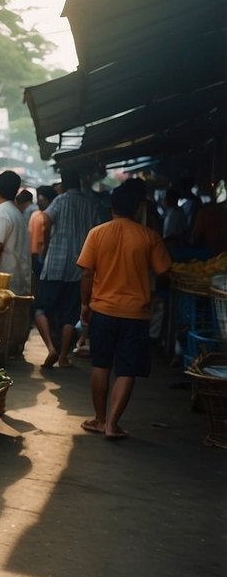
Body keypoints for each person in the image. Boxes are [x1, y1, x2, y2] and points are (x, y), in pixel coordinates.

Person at [76, 179, 171, 440]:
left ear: (112, 207)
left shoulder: (97, 233)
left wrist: (85, 304)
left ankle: (99, 418)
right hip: (136, 314)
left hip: (103, 310)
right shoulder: (149, 237)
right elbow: (164, 273)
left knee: (101, 364)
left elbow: (86, 273)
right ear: (137, 208)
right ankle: (113, 425)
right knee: (127, 369)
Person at [36, 176, 102, 368]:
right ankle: (64, 356)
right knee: (70, 314)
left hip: (54, 265)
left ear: (63, 184)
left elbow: (45, 219)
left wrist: (47, 244)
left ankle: (50, 348)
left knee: (40, 309)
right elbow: (98, 228)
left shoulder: (60, 199)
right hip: (79, 266)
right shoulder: (91, 203)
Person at [30, 186, 57, 280]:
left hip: (43, 254)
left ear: (48, 200)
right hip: (34, 254)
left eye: (40, 199)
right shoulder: (35, 214)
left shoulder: (50, 217)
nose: (38, 202)